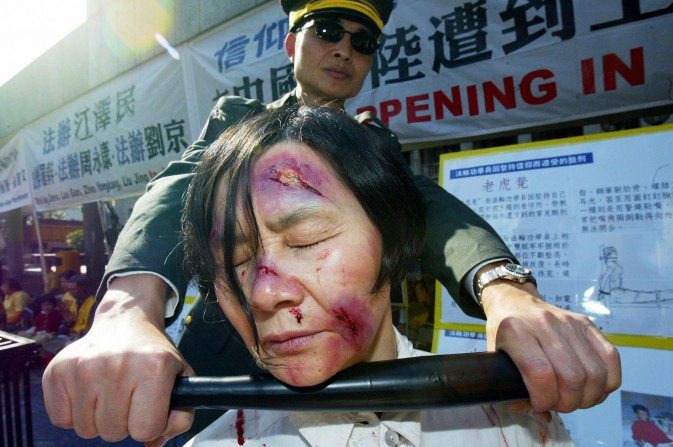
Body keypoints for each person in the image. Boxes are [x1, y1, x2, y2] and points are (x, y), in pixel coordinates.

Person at [42, 0, 620, 444]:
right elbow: (173, 194)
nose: (344, 49)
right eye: (326, 32)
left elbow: (432, 208)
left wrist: (506, 291)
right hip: (231, 376)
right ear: (292, 41)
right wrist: (126, 311)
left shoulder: (373, 145)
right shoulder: (239, 125)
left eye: (362, 42)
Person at [183, 105, 573, 446]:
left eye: (305, 239)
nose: (264, 292)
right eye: (235, 260)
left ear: (391, 239)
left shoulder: (518, 426)